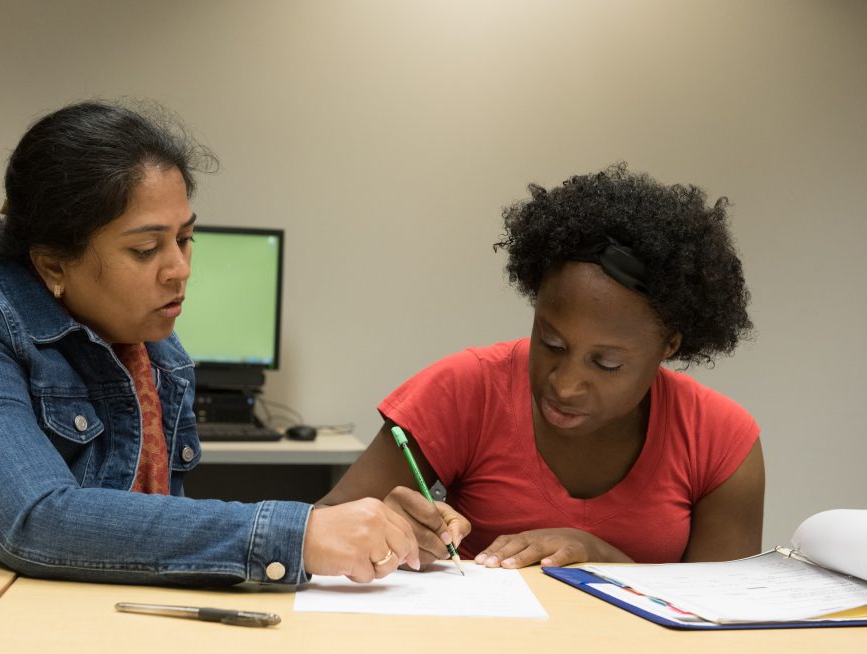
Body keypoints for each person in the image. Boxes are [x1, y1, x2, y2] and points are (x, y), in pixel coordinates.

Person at [0, 100, 418, 584]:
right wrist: (300, 534)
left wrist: (358, 529)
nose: (179, 269)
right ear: (52, 265)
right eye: (146, 250)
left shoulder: (155, 351)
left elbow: (147, 533)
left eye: (186, 239)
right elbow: (37, 521)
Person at [320, 163, 764, 570]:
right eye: (551, 343)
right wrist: (381, 526)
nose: (565, 385)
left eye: (607, 363)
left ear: (669, 344)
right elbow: (318, 525)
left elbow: (723, 620)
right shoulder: (466, 388)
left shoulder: (719, 439)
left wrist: (599, 557)